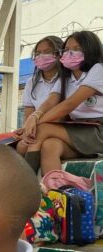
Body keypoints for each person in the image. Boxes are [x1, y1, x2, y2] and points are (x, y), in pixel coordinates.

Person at [21, 30, 103, 175]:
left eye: (77, 49)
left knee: (40, 131)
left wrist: (34, 124)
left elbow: (69, 104)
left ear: (90, 49)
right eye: (67, 50)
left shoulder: (98, 70)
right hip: (79, 129)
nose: (70, 53)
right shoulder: (65, 77)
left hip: (98, 130)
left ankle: (26, 187)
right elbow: (51, 101)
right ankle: (56, 193)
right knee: (50, 146)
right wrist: (34, 117)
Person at [16, 35, 63, 155]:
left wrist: (34, 122)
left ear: (58, 54)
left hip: (57, 128)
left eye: (47, 52)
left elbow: (57, 108)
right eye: (38, 53)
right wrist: (25, 130)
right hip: (37, 128)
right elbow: (28, 114)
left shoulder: (65, 80)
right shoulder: (31, 82)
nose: (41, 56)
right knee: (21, 145)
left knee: (36, 144)